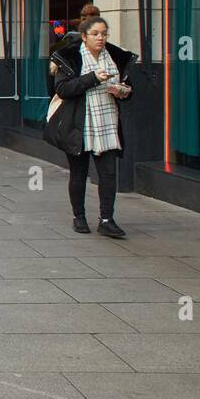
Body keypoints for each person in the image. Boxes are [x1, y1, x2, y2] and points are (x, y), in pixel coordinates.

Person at [45, 16, 134, 238]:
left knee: (108, 174)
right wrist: (93, 77)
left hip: (107, 123)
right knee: (79, 173)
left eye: (104, 33)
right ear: (84, 36)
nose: (101, 38)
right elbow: (63, 89)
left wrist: (123, 92)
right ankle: (79, 216)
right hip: (79, 124)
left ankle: (107, 219)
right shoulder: (71, 58)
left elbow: (127, 86)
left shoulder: (114, 57)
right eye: (95, 34)